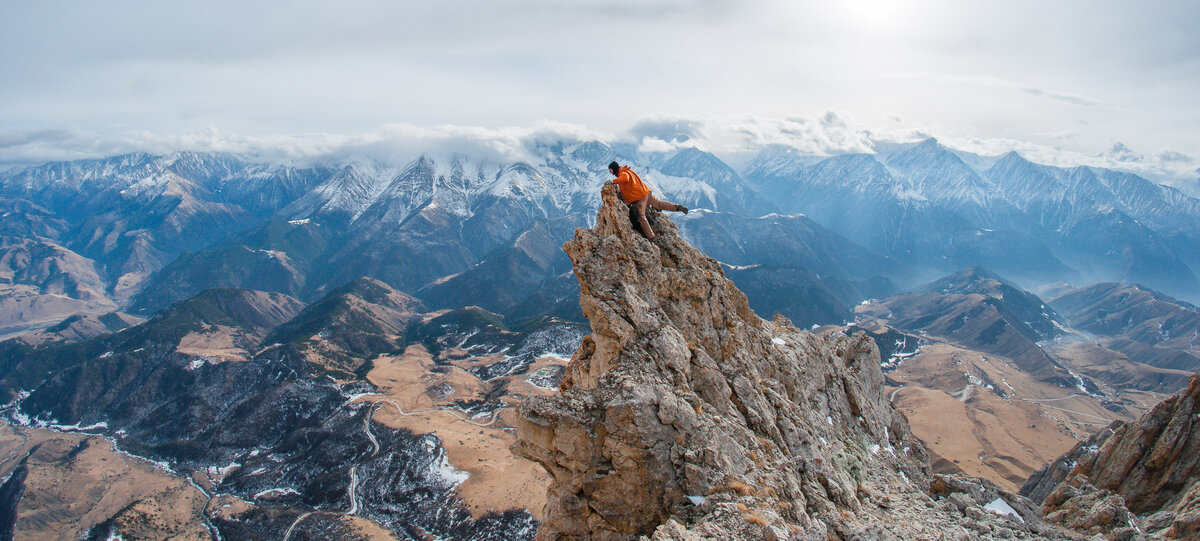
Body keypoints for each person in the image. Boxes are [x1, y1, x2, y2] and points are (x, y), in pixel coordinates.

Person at [607, 161, 688, 240]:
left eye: (610, 170)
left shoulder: (623, 173)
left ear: (614, 168)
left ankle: (651, 236)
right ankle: (677, 207)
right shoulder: (627, 171)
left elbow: (625, 178)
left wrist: (613, 181)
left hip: (639, 198)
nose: (610, 172)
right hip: (646, 193)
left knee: (641, 217)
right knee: (659, 204)